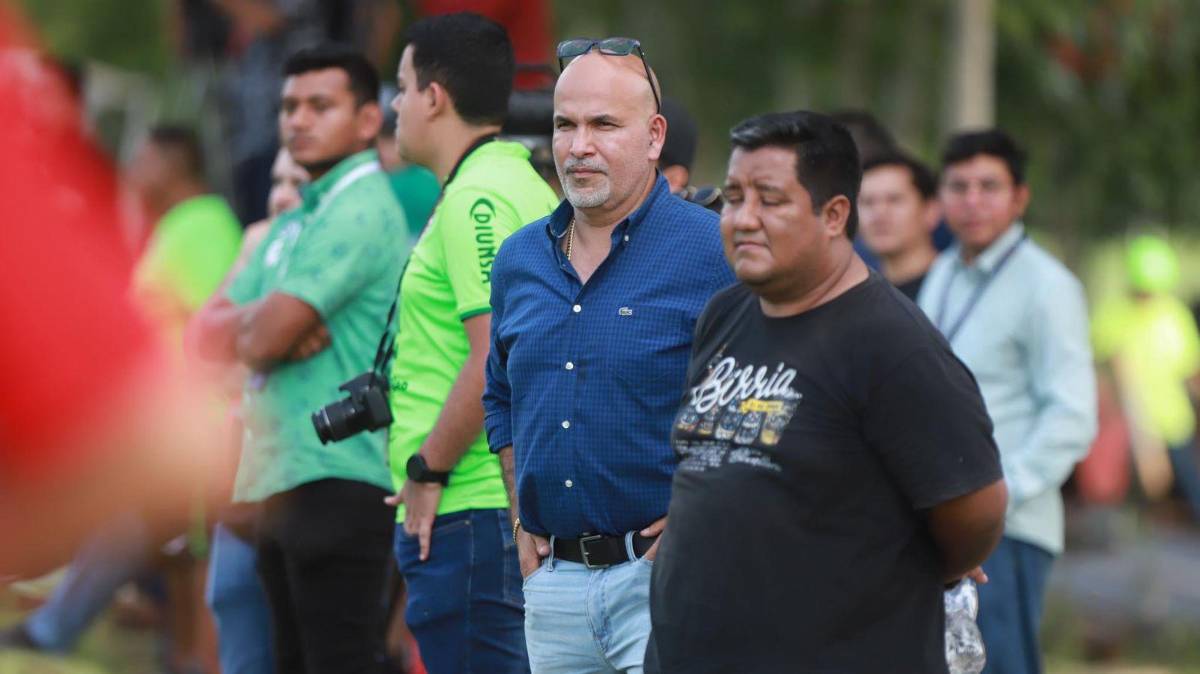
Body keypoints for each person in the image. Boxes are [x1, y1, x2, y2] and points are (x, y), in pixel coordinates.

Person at [643, 110, 1006, 674]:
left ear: (834, 215)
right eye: (735, 197)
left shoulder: (893, 346)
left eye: (771, 200)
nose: (743, 219)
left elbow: (975, 512)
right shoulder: (726, 313)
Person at [483, 38, 735, 673]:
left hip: (668, 581)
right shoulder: (518, 258)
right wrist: (520, 522)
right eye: (565, 124)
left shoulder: (714, 251)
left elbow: (763, 400)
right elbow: (501, 398)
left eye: (603, 125)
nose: (578, 146)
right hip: (554, 585)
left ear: (654, 137)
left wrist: (695, 518)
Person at [188, 43, 409, 674]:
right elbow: (202, 335)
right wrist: (255, 324)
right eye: (289, 106)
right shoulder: (300, 215)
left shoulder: (358, 206)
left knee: (335, 660)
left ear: (369, 120)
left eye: (320, 105)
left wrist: (260, 327)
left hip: (336, 475)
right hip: (278, 474)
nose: (298, 120)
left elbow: (260, 341)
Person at [0, 124, 242, 655]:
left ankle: (58, 629)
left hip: (184, 426)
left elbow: (219, 316)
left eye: (142, 158)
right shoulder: (178, 224)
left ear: (172, 165)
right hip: (162, 431)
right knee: (173, 557)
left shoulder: (201, 224)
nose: (131, 169)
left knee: (189, 561)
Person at [383, 13, 558, 674]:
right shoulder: (515, 179)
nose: (394, 105)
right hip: (493, 503)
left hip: (470, 504)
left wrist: (428, 469)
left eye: (401, 87)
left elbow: (493, 354)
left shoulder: (476, 198)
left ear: (434, 96)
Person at [917, 129, 1097, 674]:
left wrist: (997, 497)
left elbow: (1072, 417)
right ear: (941, 199)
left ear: (1020, 197)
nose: (972, 200)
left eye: (988, 186)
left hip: (1008, 527)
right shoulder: (944, 273)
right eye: (959, 186)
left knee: (1001, 665)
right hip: (940, 518)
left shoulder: (1048, 287)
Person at [202, 147, 310, 674]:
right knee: (231, 599)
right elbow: (203, 347)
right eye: (278, 181)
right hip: (242, 483)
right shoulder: (258, 248)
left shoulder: (348, 258)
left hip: (314, 490)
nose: (284, 194)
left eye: (299, 182)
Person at [1092, 234, 1200, 520]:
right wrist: (1143, 442)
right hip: (1129, 424)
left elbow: (1190, 369)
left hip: (1173, 420)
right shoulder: (1113, 315)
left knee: (1189, 484)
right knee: (1128, 496)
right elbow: (1112, 376)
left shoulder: (1174, 316)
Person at [857, 151, 940, 299]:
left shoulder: (953, 291)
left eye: (894, 200)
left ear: (930, 211)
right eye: (868, 202)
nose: (879, 213)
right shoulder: (856, 296)